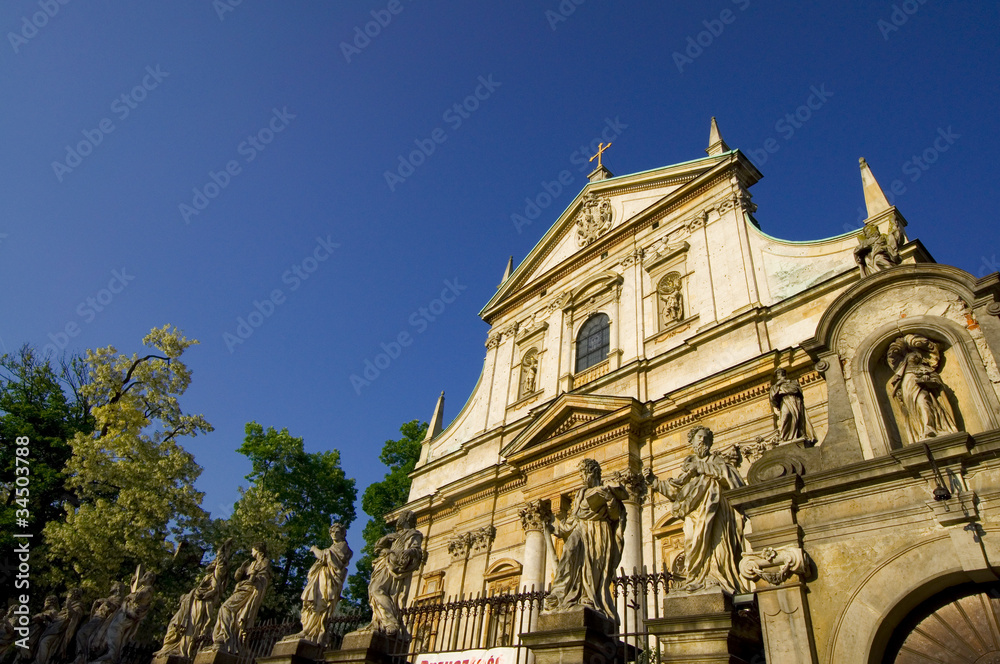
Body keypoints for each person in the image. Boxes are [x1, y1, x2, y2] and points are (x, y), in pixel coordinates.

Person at [646, 427, 746, 595]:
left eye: (705, 439)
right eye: (699, 438)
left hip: (716, 515)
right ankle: (695, 578)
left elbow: (733, 480)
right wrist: (654, 482)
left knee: (718, 549)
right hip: (694, 516)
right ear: (691, 443)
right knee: (692, 543)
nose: (702, 441)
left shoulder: (718, 463)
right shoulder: (689, 471)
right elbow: (677, 490)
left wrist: (703, 468)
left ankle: (714, 577)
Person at [543, 458, 627, 623]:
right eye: (581, 473)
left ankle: (589, 597)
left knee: (593, 566)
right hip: (581, 528)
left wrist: (610, 500)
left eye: (584, 473)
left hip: (598, 532)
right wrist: (558, 530)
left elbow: (617, 516)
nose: (582, 477)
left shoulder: (605, 490)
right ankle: (559, 593)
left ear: (593, 473)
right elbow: (573, 519)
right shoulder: (581, 493)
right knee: (569, 550)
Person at [156, 539, 235, 659]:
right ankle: (177, 647)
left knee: (194, 626)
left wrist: (223, 552)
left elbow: (214, 587)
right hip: (196, 601)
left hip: (202, 603)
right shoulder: (208, 576)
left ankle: (185, 649)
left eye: (215, 562)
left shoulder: (216, 575)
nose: (212, 563)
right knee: (182, 624)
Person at [284, 523, 353, 646]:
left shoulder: (343, 547)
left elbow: (326, 556)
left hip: (328, 580)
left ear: (343, 534)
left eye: (337, 532)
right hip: (321, 577)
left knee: (320, 604)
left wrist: (315, 549)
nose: (334, 534)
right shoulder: (334, 546)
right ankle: (307, 630)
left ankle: (312, 632)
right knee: (310, 603)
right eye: (332, 532)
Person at [887, 336, 958, 441]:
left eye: (917, 357)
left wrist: (927, 379)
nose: (915, 358)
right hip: (908, 389)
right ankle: (920, 431)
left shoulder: (925, 368)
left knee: (924, 403)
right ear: (906, 360)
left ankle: (929, 428)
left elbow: (937, 383)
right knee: (913, 409)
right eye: (912, 357)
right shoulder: (902, 373)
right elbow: (898, 388)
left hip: (921, 389)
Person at [365, 511, 423, 637]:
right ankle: (382, 621)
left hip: (398, 565)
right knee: (374, 590)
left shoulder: (414, 534)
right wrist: (386, 538)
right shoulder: (395, 535)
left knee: (378, 590)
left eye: (401, 518)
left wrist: (408, 552)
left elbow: (417, 550)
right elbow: (377, 547)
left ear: (405, 519)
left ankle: (391, 622)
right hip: (386, 563)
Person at [207, 543, 271, 655]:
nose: (251, 553)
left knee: (225, 608)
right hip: (242, 588)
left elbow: (261, 578)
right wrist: (241, 569)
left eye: (253, 550)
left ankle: (225, 637)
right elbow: (237, 577)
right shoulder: (252, 563)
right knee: (232, 613)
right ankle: (229, 637)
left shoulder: (264, 562)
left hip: (249, 590)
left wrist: (253, 576)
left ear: (258, 551)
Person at [34, 588, 84, 664]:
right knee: (43, 642)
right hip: (54, 628)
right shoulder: (65, 608)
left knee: (45, 642)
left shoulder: (78, 606)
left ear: (73, 595)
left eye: (69, 595)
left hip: (59, 630)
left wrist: (69, 607)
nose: (67, 597)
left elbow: (74, 617)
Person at [769, 368, 814, 443]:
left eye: (781, 373)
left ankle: (796, 435)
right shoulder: (775, 386)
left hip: (794, 400)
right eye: (778, 374)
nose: (780, 375)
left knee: (796, 416)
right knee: (785, 415)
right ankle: (784, 436)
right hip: (784, 400)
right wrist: (778, 385)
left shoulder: (792, 382)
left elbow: (797, 390)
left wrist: (786, 384)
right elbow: (772, 396)